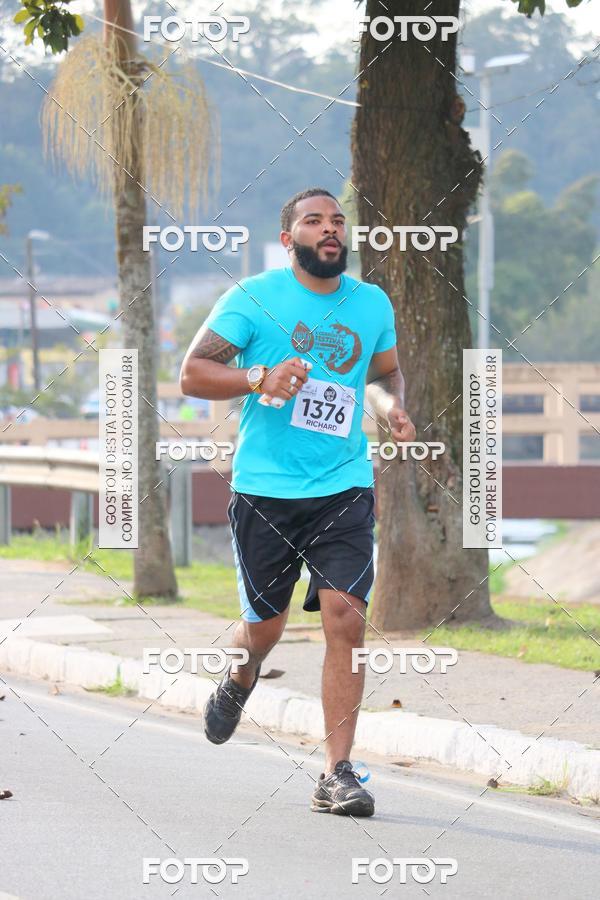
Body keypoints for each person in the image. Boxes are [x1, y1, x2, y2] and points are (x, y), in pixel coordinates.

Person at [179, 187, 415, 817]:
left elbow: (384, 371)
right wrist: (258, 376)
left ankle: (338, 772)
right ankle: (242, 673)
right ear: (289, 240)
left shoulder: (370, 303)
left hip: (343, 485)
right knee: (266, 628)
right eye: (314, 221)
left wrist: (394, 410)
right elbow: (193, 374)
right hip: (265, 491)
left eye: (338, 221)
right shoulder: (252, 298)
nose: (330, 229)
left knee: (345, 616)